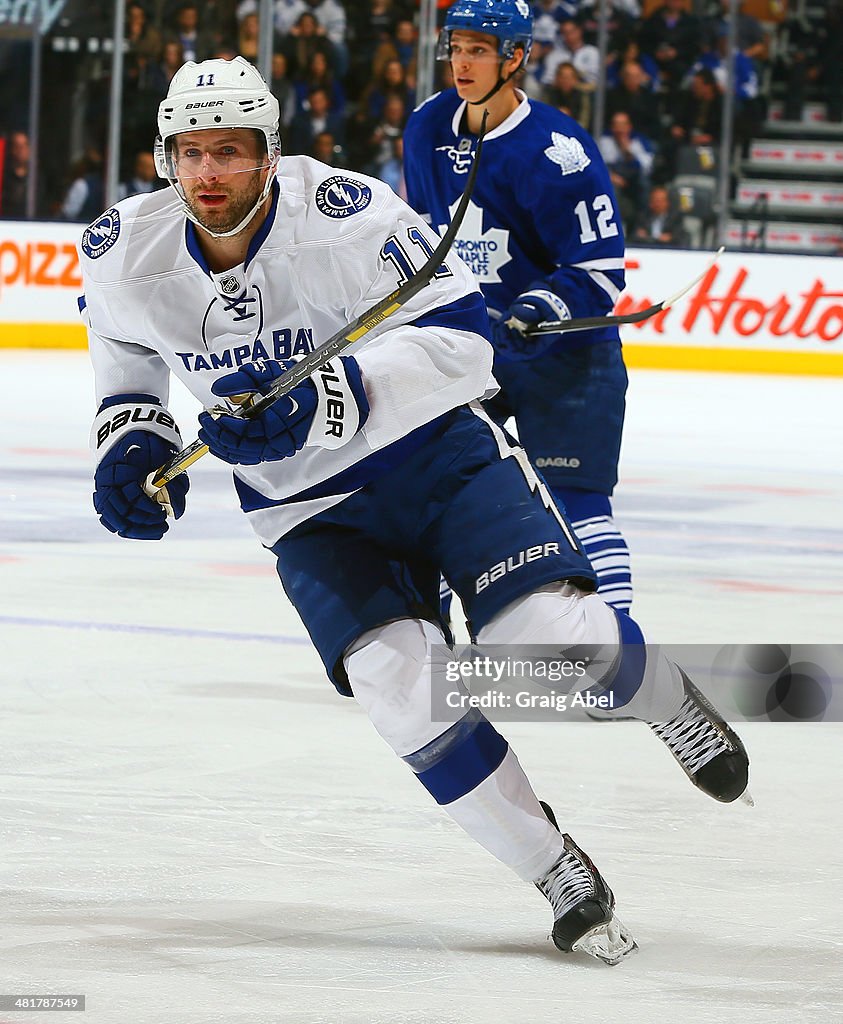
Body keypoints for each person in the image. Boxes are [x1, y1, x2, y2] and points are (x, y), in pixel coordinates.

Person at [78, 55, 750, 967]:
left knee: (553, 639)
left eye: (229, 152)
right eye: (188, 154)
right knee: (401, 690)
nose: (207, 175)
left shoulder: (347, 215)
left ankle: (664, 697)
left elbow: (466, 347)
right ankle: (554, 869)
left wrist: (329, 398)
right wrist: (133, 440)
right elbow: (125, 358)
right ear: (165, 156)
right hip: (310, 513)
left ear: (269, 155)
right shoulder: (123, 247)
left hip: (436, 459)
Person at [403, 0, 634, 612]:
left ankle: (617, 652)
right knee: (445, 493)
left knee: (574, 500)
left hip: (568, 360)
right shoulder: (427, 127)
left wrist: (539, 306)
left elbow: (601, 271)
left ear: (517, 57)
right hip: (474, 351)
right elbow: (421, 235)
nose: (463, 62)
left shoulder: (560, 152)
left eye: (479, 49)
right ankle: (436, 637)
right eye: (457, 47)